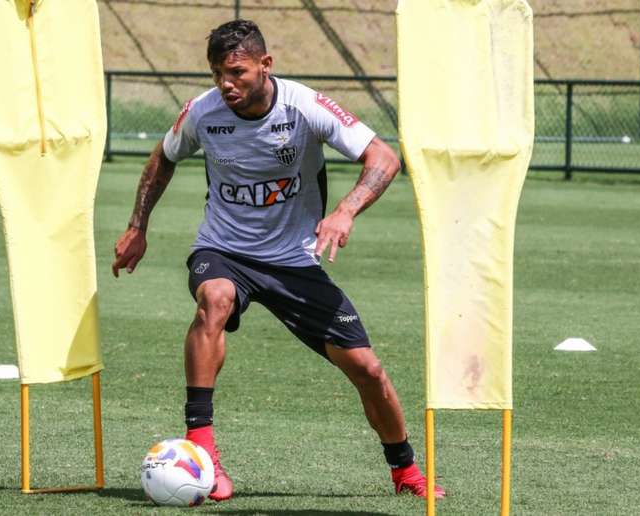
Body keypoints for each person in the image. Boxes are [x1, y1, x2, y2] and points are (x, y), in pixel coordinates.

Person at [113, 19, 445, 502]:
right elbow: (162, 158)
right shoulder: (203, 113)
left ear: (266, 65)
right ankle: (203, 450)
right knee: (215, 297)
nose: (226, 84)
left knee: (368, 370)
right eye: (217, 74)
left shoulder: (304, 106)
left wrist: (344, 212)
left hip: (293, 260)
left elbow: (383, 158)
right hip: (225, 249)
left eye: (237, 72)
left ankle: (406, 472)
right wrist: (138, 225)